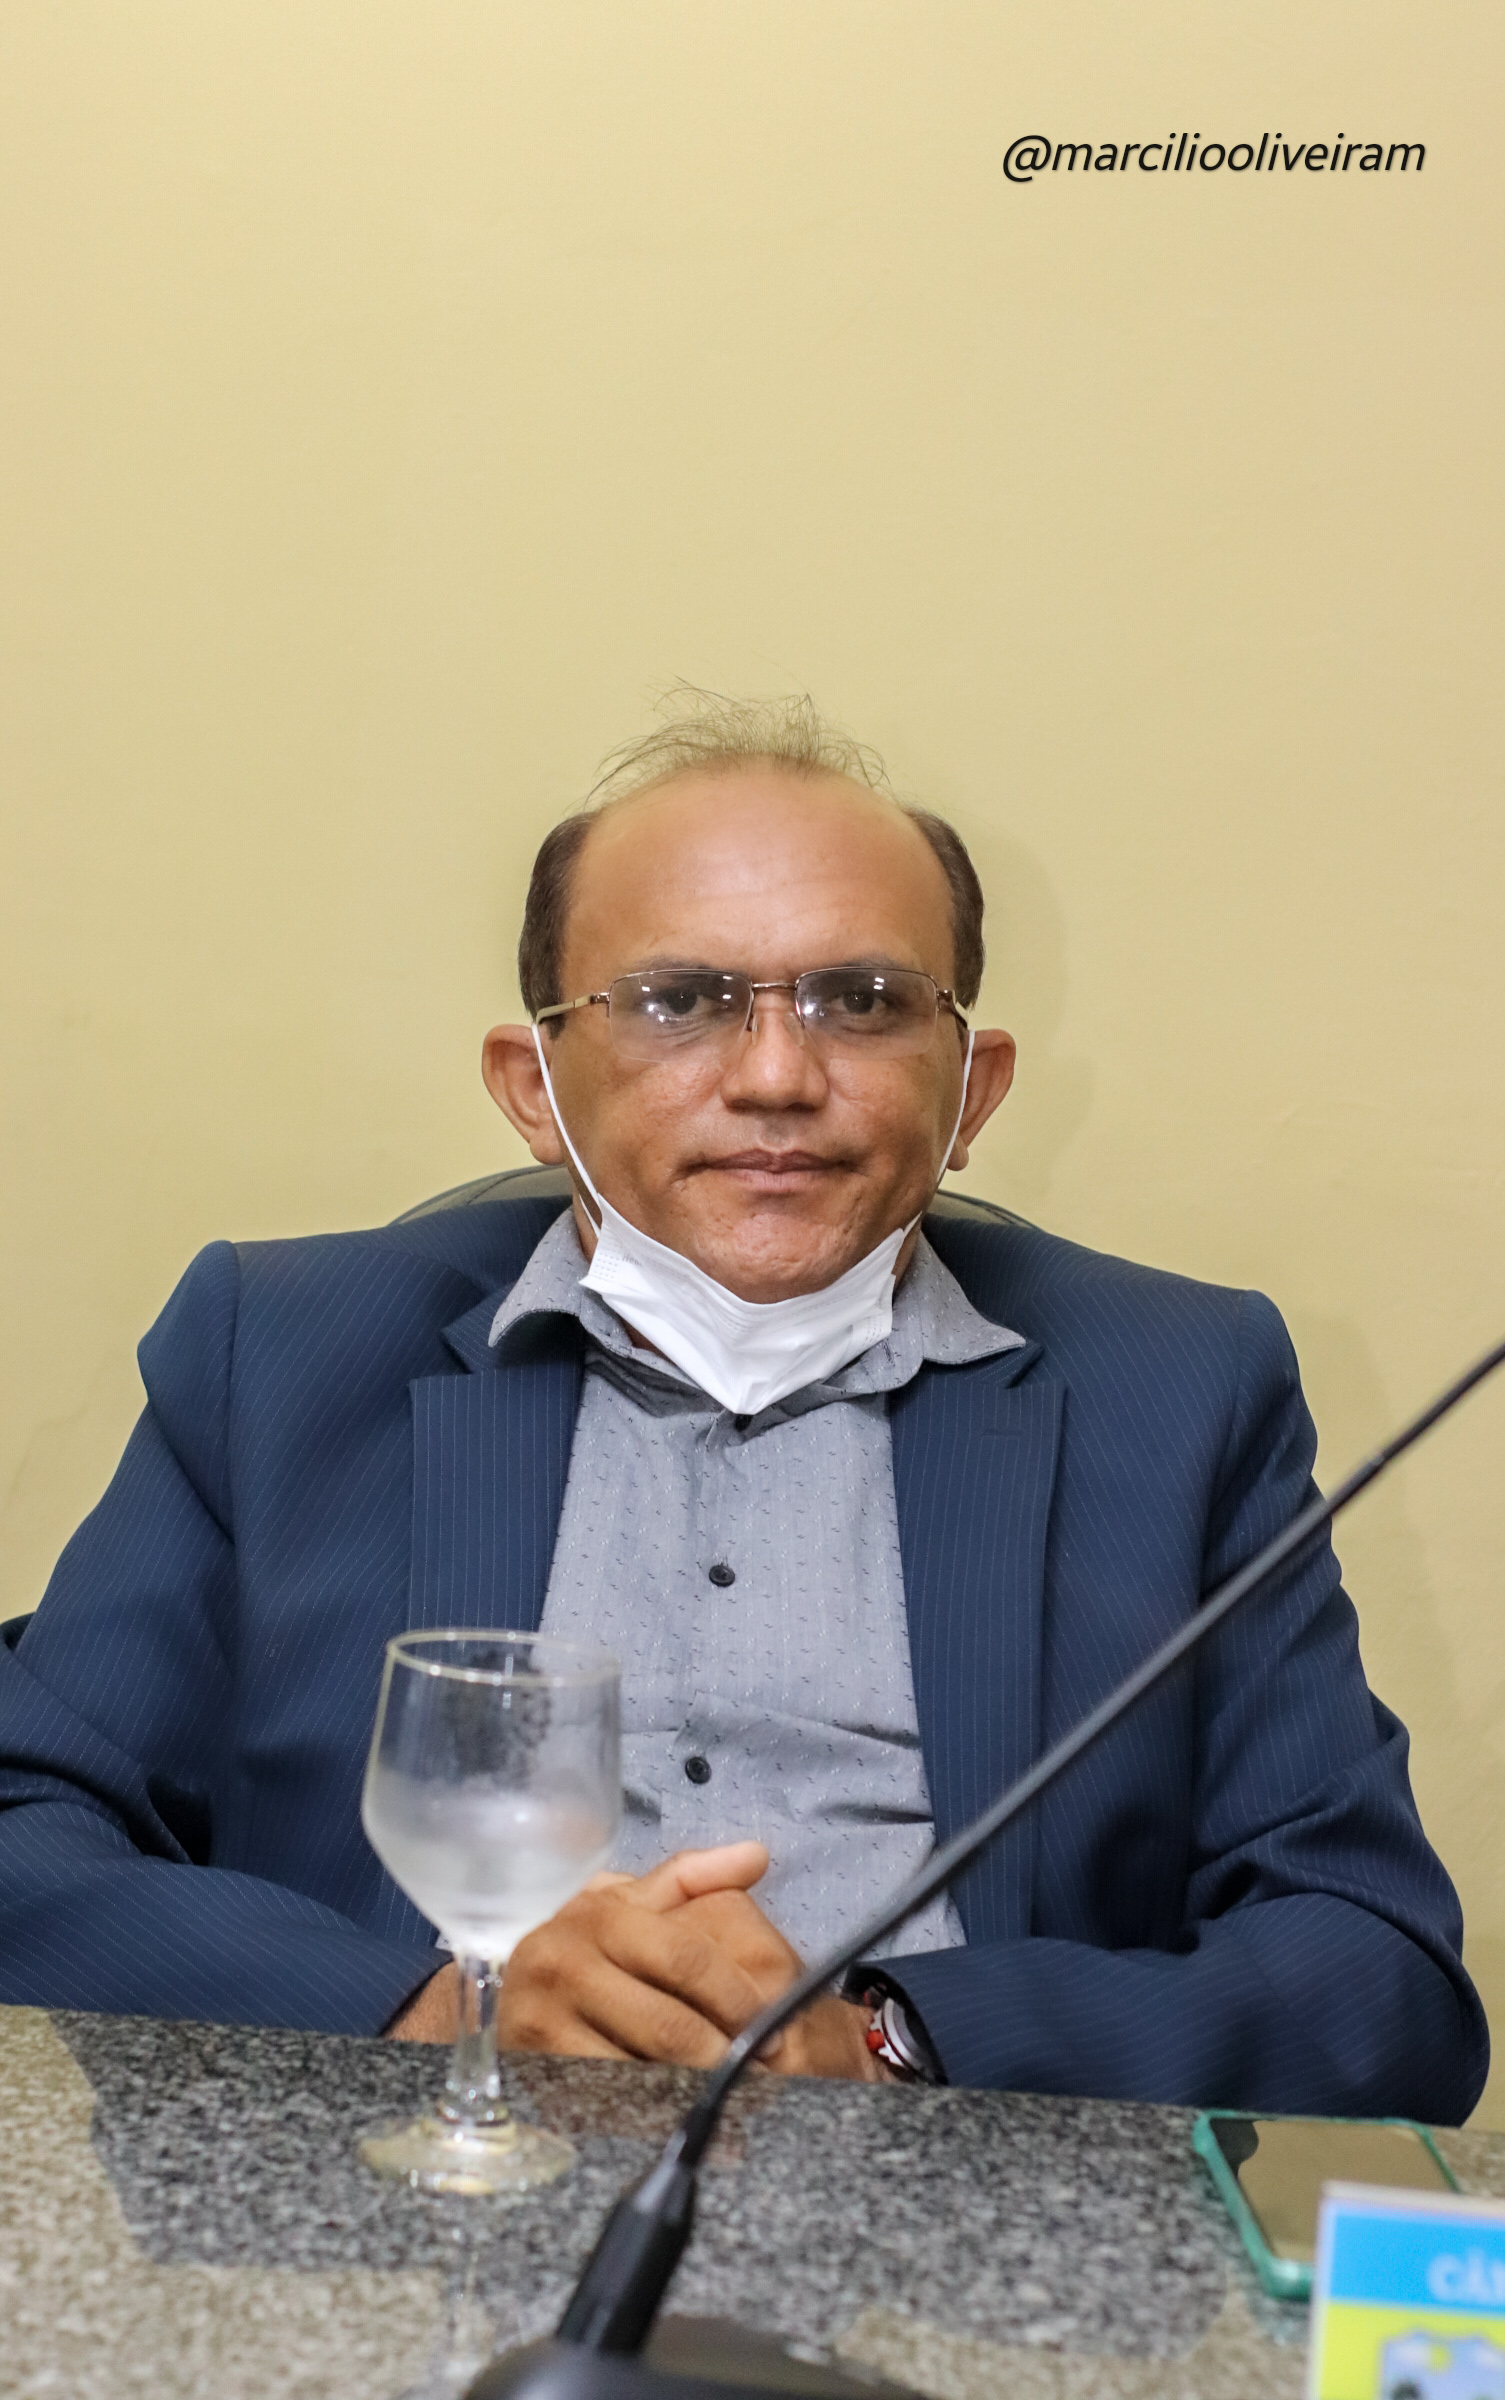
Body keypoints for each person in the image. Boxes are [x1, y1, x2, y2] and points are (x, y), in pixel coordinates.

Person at [0, 696, 1487, 2117]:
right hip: (405, 2191)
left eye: (864, 1001)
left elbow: (1375, 1976)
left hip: (936, 2225)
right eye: (680, 1002)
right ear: (532, 1087)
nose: (777, 1076)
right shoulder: (280, 1353)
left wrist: (894, 2043)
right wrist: (432, 2008)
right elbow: (25, 1831)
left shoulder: (1176, 1391)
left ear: (973, 1092)